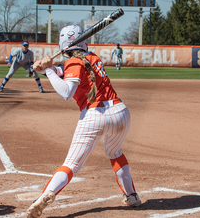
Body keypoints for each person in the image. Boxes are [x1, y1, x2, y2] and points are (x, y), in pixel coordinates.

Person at [26, 25, 141, 218]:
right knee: (114, 152)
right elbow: (69, 71)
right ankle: (132, 196)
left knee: (71, 164)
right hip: (120, 112)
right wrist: (48, 70)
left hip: (94, 115)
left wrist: (49, 70)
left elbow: (66, 92)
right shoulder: (92, 57)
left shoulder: (73, 62)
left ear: (63, 44)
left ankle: (46, 195)